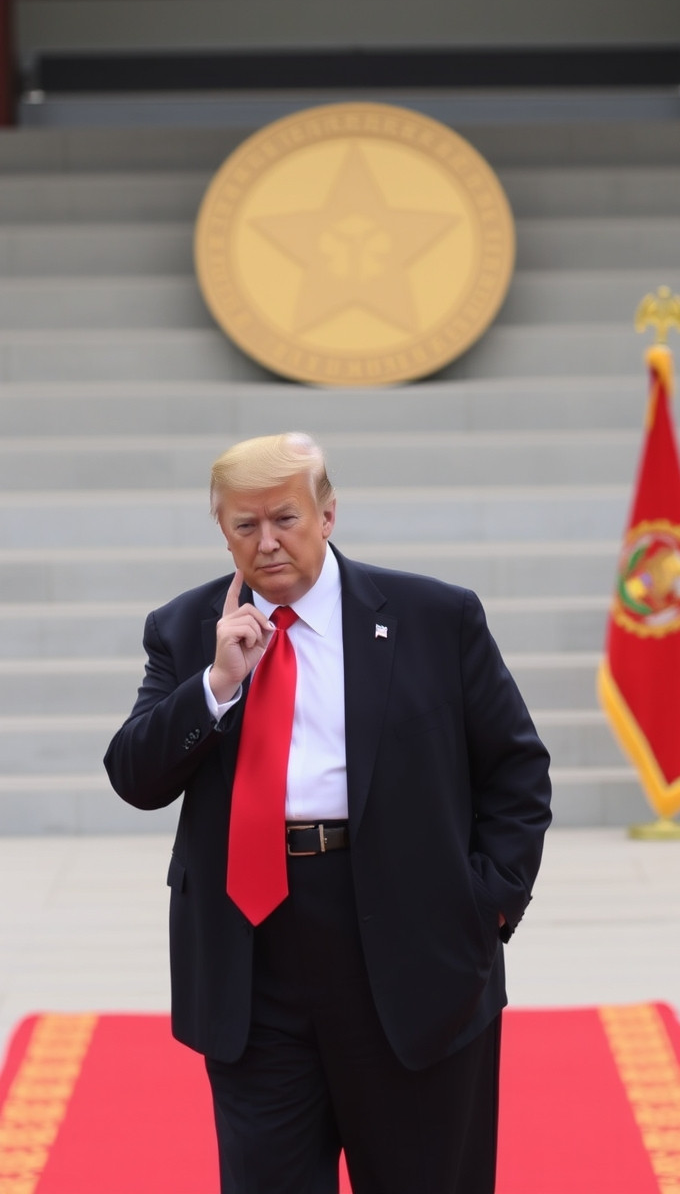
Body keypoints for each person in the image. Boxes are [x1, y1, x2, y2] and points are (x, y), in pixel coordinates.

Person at [104, 431, 551, 1194]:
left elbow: (516, 770)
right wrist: (215, 686)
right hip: (253, 959)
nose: (267, 542)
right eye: (245, 525)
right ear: (222, 531)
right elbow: (135, 777)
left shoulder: (434, 616)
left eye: (285, 518)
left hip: (414, 946)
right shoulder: (185, 629)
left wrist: (487, 909)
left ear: (328, 515)